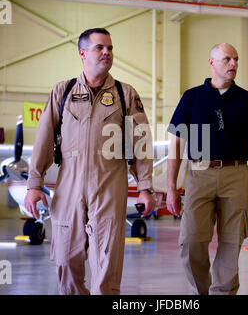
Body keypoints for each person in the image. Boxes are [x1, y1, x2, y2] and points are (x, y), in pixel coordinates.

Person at [24, 28, 155, 295]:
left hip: (109, 181)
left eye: (110, 48)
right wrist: (34, 184)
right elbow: (45, 139)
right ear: (82, 53)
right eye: (99, 48)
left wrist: (145, 187)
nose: (106, 52)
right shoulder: (63, 91)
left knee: (106, 262)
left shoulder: (125, 94)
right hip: (69, 182)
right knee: (66, 258)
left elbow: (140, 143)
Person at [166, 43, 248, 295]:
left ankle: (222, 292)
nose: (233, 64)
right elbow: (177, 143)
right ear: (212, 62)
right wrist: (171, 187)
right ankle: (201, 292)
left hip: (236, 173)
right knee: (191, 240)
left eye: (236, 59)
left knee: (231, 240)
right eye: (227, 59)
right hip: (199, 172)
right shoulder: (191, 97)